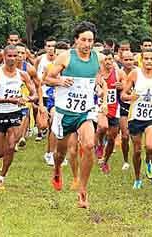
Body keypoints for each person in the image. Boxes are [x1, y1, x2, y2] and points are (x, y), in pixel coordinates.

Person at [45, 21, 106, 209]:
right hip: (64, 113)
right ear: (76, 40)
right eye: (84, 40)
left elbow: (98, 78)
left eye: (91, 40)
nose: (87, 44)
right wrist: (60, 80)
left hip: (84, 111)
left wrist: (100, 88)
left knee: (88, 144)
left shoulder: (98, 58)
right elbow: (46, 78)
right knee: (60, 152)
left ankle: (82, 189)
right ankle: (56, 169)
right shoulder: (66, 57)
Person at [0, 45, 37, 190]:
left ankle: (2, 177)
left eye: (15, 56)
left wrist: (28, 98)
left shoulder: (23, 75)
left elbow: (33, 92)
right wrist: (9, 100)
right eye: (9, 56)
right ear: (4, 56)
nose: (12, 59)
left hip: (15, 113)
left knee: (10, 145)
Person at [121, 48, 152, 189]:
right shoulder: (135, 74)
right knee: (136, 151)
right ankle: (137, 179)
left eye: (151, 59)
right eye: (146, 58)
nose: (149, 61)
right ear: (141, 60)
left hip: (151, 117)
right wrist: (130, 97)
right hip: (135, 117)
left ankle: (148, 162)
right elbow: (123, 94)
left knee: (150, 146)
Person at [97, 49, 126, 174]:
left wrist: (122, 86)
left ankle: (105, 160)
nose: (108, 62)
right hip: (99, 106)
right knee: (103, 127)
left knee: (112, 138)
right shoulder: (97, 73)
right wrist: (99, 90)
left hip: (114, 107)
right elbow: (94, 85)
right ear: (101, 61)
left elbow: (126, 86)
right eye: (106, 59)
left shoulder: (118, 72)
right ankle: (99, 144)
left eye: (110, 59)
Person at [117, 50, 134, 170]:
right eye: (126, 60)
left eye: (130, 59)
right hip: (122, 106)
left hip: (137, 107)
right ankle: (126, 160)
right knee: (125, 136)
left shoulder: (139, 72)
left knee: (136, 137)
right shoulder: (118, 73)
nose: (128, 62)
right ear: (121, 60)